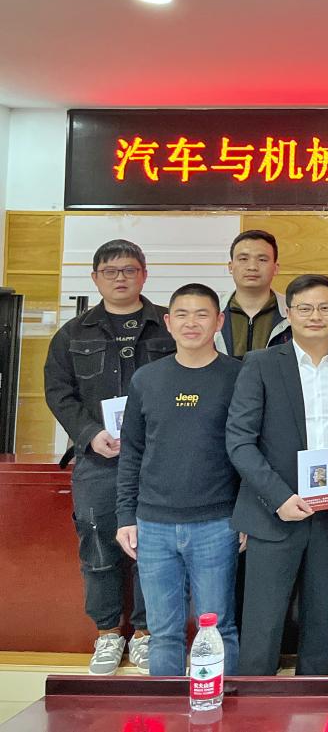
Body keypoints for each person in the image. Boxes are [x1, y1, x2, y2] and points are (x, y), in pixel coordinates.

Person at [44, 239, 175, 675]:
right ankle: (107, 633)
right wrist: (89, 434)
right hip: (98, 459)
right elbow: (58, 393)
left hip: (158, 459)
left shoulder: (167, 326)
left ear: (144, 275)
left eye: (130, 270)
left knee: (153, 547)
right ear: (95, 277)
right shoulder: (73, 333)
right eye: (111, 271)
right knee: (99, 545)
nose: (121, 278)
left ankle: (145, 633)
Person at [226, 274, 328, 676]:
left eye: (324, 307)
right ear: (288, 312)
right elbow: (239, 442)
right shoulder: (261, 364)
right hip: (273, 513)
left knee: (321, 625)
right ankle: (254, 705)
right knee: (262, 627)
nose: (315, 316)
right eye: (305, 308)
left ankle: (313, 702)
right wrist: (279, 498)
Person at [114, 283, 242, 676]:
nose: (191, 323)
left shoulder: (239, 376)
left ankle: (219, 703)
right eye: (182, 314)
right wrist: (126, 516)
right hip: (153, 525)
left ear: (218, 321)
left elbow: (251, 451)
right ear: (168, 323)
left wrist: (246, 516)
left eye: (202, 314)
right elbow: (132, 452)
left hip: (217, 522)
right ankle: (166, 705)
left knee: (217, 627)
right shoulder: (146, 379)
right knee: (163, 632)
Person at [218, 229, 290, 357]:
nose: (252, 267)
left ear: (275, 268)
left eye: (262, 260)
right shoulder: (213, 310)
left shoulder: (293, 311)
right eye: (243, 259)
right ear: (230, 267)